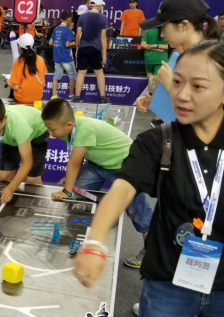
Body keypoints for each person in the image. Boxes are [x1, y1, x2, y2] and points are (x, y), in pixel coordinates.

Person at [74, 40, 224, 317]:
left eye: (198, 86)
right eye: (177, 82)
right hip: (168, 280)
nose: (182, 95)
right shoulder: (160, 140)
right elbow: (121, 189)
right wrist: (95, 242)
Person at [43, 98, 153, 267]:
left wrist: (66, 190)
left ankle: (151, 252)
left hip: (125, 165)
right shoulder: (69, 130)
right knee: (79, 194)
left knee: (138, 210)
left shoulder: (84, 129)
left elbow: (74, 163)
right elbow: (77, 158)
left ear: (68, 125)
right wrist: (71, 182)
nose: (50, 133)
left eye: (52, 129)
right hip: (99, 164)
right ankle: (77, 237)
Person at [135, 0, 222, 126]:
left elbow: (208, 115)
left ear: (184, 25)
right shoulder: (180, 57)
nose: (162, 35)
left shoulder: (210, 60)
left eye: (164, 28)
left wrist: (170, 83)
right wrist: (156, 102)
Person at [72, 0, 109, 104]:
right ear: (99, 5)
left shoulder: (82, 17)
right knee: (99, 72)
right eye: (101, 4)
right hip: (96, 48)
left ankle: (77, 97)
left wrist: (77, 49)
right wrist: (104, 54)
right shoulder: (103, 18)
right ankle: (102, 97)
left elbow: (78, 36)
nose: (102, 6)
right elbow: (103, 38)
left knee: (81, 73)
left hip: (83, 47)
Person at [6, 34, 48, 105]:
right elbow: (43, 75)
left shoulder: (18, 62)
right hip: (37, 97)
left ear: (20, 47)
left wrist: (7, 83)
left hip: (22, 98)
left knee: (12, 88)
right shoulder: (41, 59)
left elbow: (16, 87)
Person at [50, 10, 77, 99]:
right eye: (71, 19)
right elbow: (67, 44)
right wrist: (75, 44)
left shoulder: (56, 28)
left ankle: (54, 95)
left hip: (57, 56)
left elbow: (50, 42)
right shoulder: (68, 30)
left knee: (56, 76)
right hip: (66, 57)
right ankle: (71, 95)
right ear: (69, 18)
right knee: (72, 76)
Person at [141, 26, 168, 92]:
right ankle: (156, 94)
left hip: (149, 58)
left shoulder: (148, 31)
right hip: (161, 59)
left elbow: (143, 45)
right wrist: (157, 47)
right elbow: (169, 46)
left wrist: (153, 47)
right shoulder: (166, 31)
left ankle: (152, 90)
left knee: (150, 74)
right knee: (158, 79)